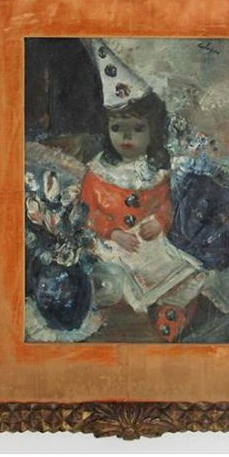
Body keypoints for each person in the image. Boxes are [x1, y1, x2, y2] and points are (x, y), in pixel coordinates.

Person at [80, 40, 204, 342]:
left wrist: (159, 222)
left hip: (148, 244)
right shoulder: (98, 173)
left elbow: (165, 204)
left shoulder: (155, 171)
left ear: (153, 131)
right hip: (112, 246)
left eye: (137, 129)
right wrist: (113, 233)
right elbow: (86, 213)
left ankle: (173, 309)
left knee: (178, 271)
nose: (126, 137)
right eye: (117, 128)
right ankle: (153, 310)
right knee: (123, 284)